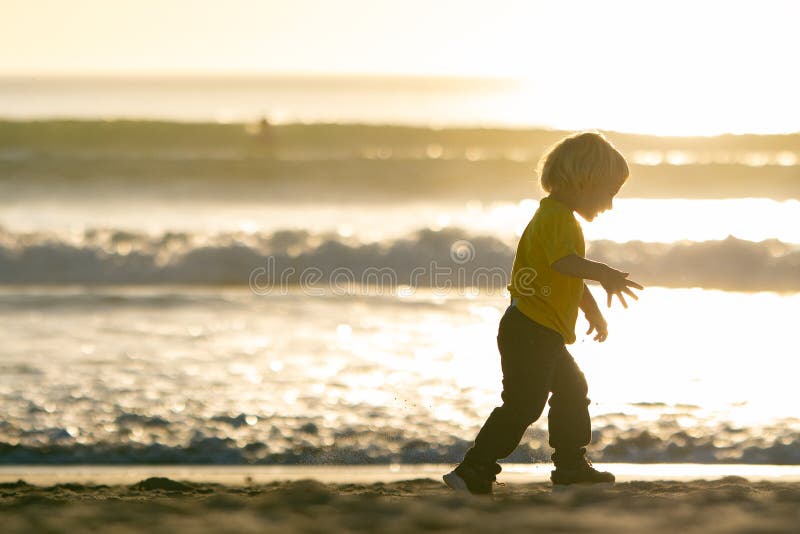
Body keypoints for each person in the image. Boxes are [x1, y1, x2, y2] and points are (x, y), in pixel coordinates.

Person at [443, 131, 643, 494]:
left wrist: (594, 313)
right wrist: (605, 273)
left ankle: (570, 467)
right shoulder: (557, 218)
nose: (610, 205)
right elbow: (567, 264)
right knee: (524, 405)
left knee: (572, 389)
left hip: (539, 331)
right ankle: (474, 468)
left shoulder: (558, 217)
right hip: (530, 331)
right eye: (610, 193)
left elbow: (568, 277)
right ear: (586, 181)